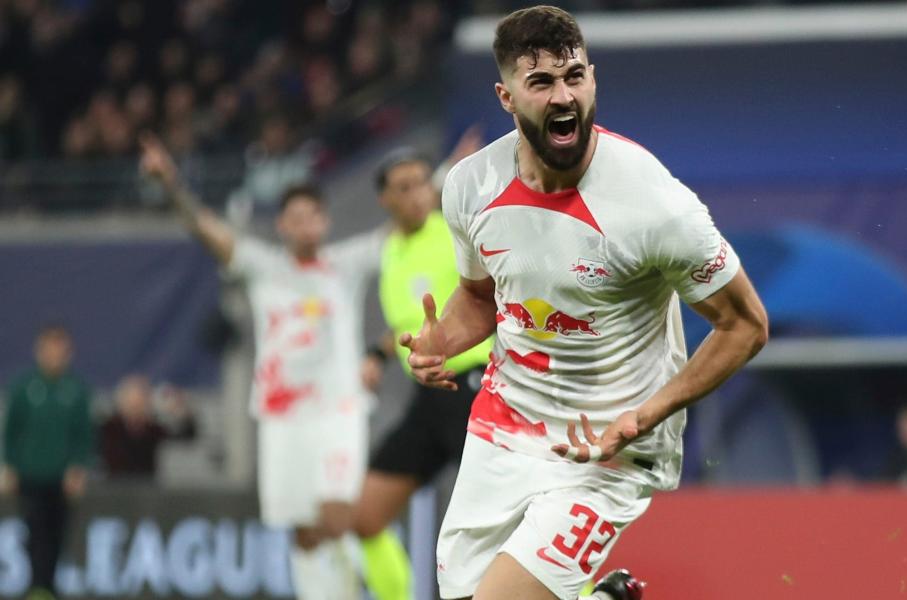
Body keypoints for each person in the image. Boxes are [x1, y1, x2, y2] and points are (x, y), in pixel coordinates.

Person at [400, 7, 768, 600]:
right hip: (504, 424)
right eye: (541, 82)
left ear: (593, 78)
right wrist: (441, 340)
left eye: (574, 76)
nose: (563, 95)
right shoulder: (470, 186)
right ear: (506, 95)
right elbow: (481, 298)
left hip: (608, 446)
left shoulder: (653, 203)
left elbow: (745, 325)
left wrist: (646, 415)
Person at [139, 134, 383, 600]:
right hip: (282, 414)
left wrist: (444, 177)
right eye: (295, 217)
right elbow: (205, 229)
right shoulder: (263, 266)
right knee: (304, 529)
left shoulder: (344, 265)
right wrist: (171, 184)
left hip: (339, 409)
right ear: (283, 225)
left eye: (312, 215)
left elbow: (402, 228)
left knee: (337, 515)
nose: (305, 224)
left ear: (325, 222)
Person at [350, 143, 493, 600]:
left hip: (476, 390)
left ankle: (590, 594)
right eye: (403, 188)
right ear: (384, 200)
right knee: (367, 517)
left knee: (510, 521)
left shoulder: (457, 230)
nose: (416, 195)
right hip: (430, 399)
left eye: (422, 184)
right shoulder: (390, 250)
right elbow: (410, 326)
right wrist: (379, 355)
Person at [2, 324, 94, 600]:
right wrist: (8, 464)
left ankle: (48, 586)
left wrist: (78, 467)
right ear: (39, 351)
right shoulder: (24, 387)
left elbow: (84, 434)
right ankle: (37, 586)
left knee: (57, 533)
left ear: (68, 353)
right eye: (49, 349)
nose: (54, 356)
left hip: (61, 477)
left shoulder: (75, 390)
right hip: (31, 474)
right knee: (34, 531)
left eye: (59, 350)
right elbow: (11, 430)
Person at [99, 375, 197, 480]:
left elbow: (186, 436)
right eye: (133, 403)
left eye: (141, 403)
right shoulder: (109, 428)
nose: (137, 408)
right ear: (122, 402)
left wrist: (182, 411)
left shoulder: (152, 429)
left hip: (147, 490)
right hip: (114, 489)